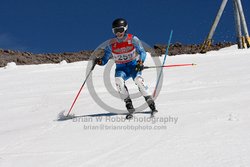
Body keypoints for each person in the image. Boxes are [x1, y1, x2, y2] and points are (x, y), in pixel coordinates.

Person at [95, 18, 157, 118]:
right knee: (118, 80)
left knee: (138, 80)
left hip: (133, 66)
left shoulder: (132, 39)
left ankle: (150, 103)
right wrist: (100, 61)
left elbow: (142, 52)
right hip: (121, 69)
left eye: (120, 30)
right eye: (115, 30)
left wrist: (140, 62)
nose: (118, 33)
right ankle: (129, 104)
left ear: (125, 29)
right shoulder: (111, 44)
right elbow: (105, 59)